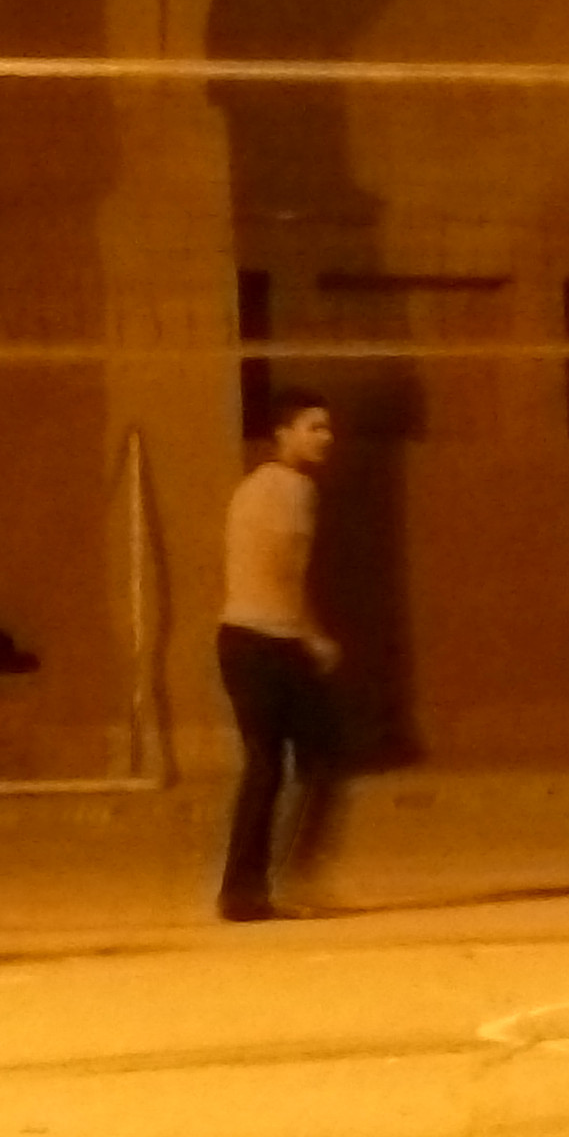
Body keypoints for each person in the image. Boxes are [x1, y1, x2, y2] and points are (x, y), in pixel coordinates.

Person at [216, 390, 345, 922]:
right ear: (283, 433)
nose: (325, 438)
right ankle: (270, 883)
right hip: (268, 641)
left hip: (241, 637)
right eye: (313, 427)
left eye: (327, 428)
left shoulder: (255, 485)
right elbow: (283, 569)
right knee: (305, 762)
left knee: (268, 765)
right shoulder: (294, 489)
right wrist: (312, 637)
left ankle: (248, 888)